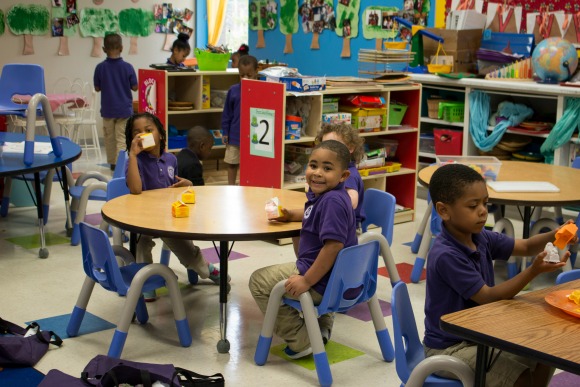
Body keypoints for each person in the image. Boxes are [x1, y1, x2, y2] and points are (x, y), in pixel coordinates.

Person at [423, 163, 576, 386]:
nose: (483, 211)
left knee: (545, 353)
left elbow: (525, 247)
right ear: (444, 210)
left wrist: (555, 234)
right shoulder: (447, 254)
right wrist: (533, 271)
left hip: (481, 334)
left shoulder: (479, 237)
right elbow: (488, 297)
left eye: (485, 203)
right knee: (520, 377)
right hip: (450, 347)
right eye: (473, 206)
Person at [249, 140, 358, 360]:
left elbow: (333, 246)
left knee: (258, 281)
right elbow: (313, 212)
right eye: (313, 165)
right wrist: (291, 215)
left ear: (343, 176)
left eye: (327, 168)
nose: (317, 173)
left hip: (321, 281)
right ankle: (322, 327)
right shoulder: (329, 197)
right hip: (339, 279)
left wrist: (306, 281)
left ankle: (302, 340)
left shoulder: (332, 202)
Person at [125, 112, 228, 301]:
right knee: (141, 242)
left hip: (167, 218)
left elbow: (175, 190)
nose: (143, 136)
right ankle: (146, 283)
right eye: (137, 133)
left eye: (148, 130)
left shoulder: (171, 159)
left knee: (188, 252)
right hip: (143, 218)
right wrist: (132, 155)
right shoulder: (135, 161)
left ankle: (208, 269)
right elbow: (135, 189)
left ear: (161, 135)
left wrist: (187, 184)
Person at [94, 33, 138, 171]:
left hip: (108, 110)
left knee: (109, 139)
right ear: (121, 48)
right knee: (122, 138)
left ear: (103, 49)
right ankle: (121, 165)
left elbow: (97, 88)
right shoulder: (128, 67)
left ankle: (113, 164)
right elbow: (135, 87)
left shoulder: (100, 68)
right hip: (124, 110)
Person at [222, 55, 258, 185]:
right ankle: (231, 187)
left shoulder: (261, 90)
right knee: (232, 163)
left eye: (249, 75)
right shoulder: (234, 90)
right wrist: (225, 132)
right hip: (235, 136)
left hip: (254, 137)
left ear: (256, 72)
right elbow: (227, 114)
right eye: (242, 75)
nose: (246, 78)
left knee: (250, 165)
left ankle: (248, 186)